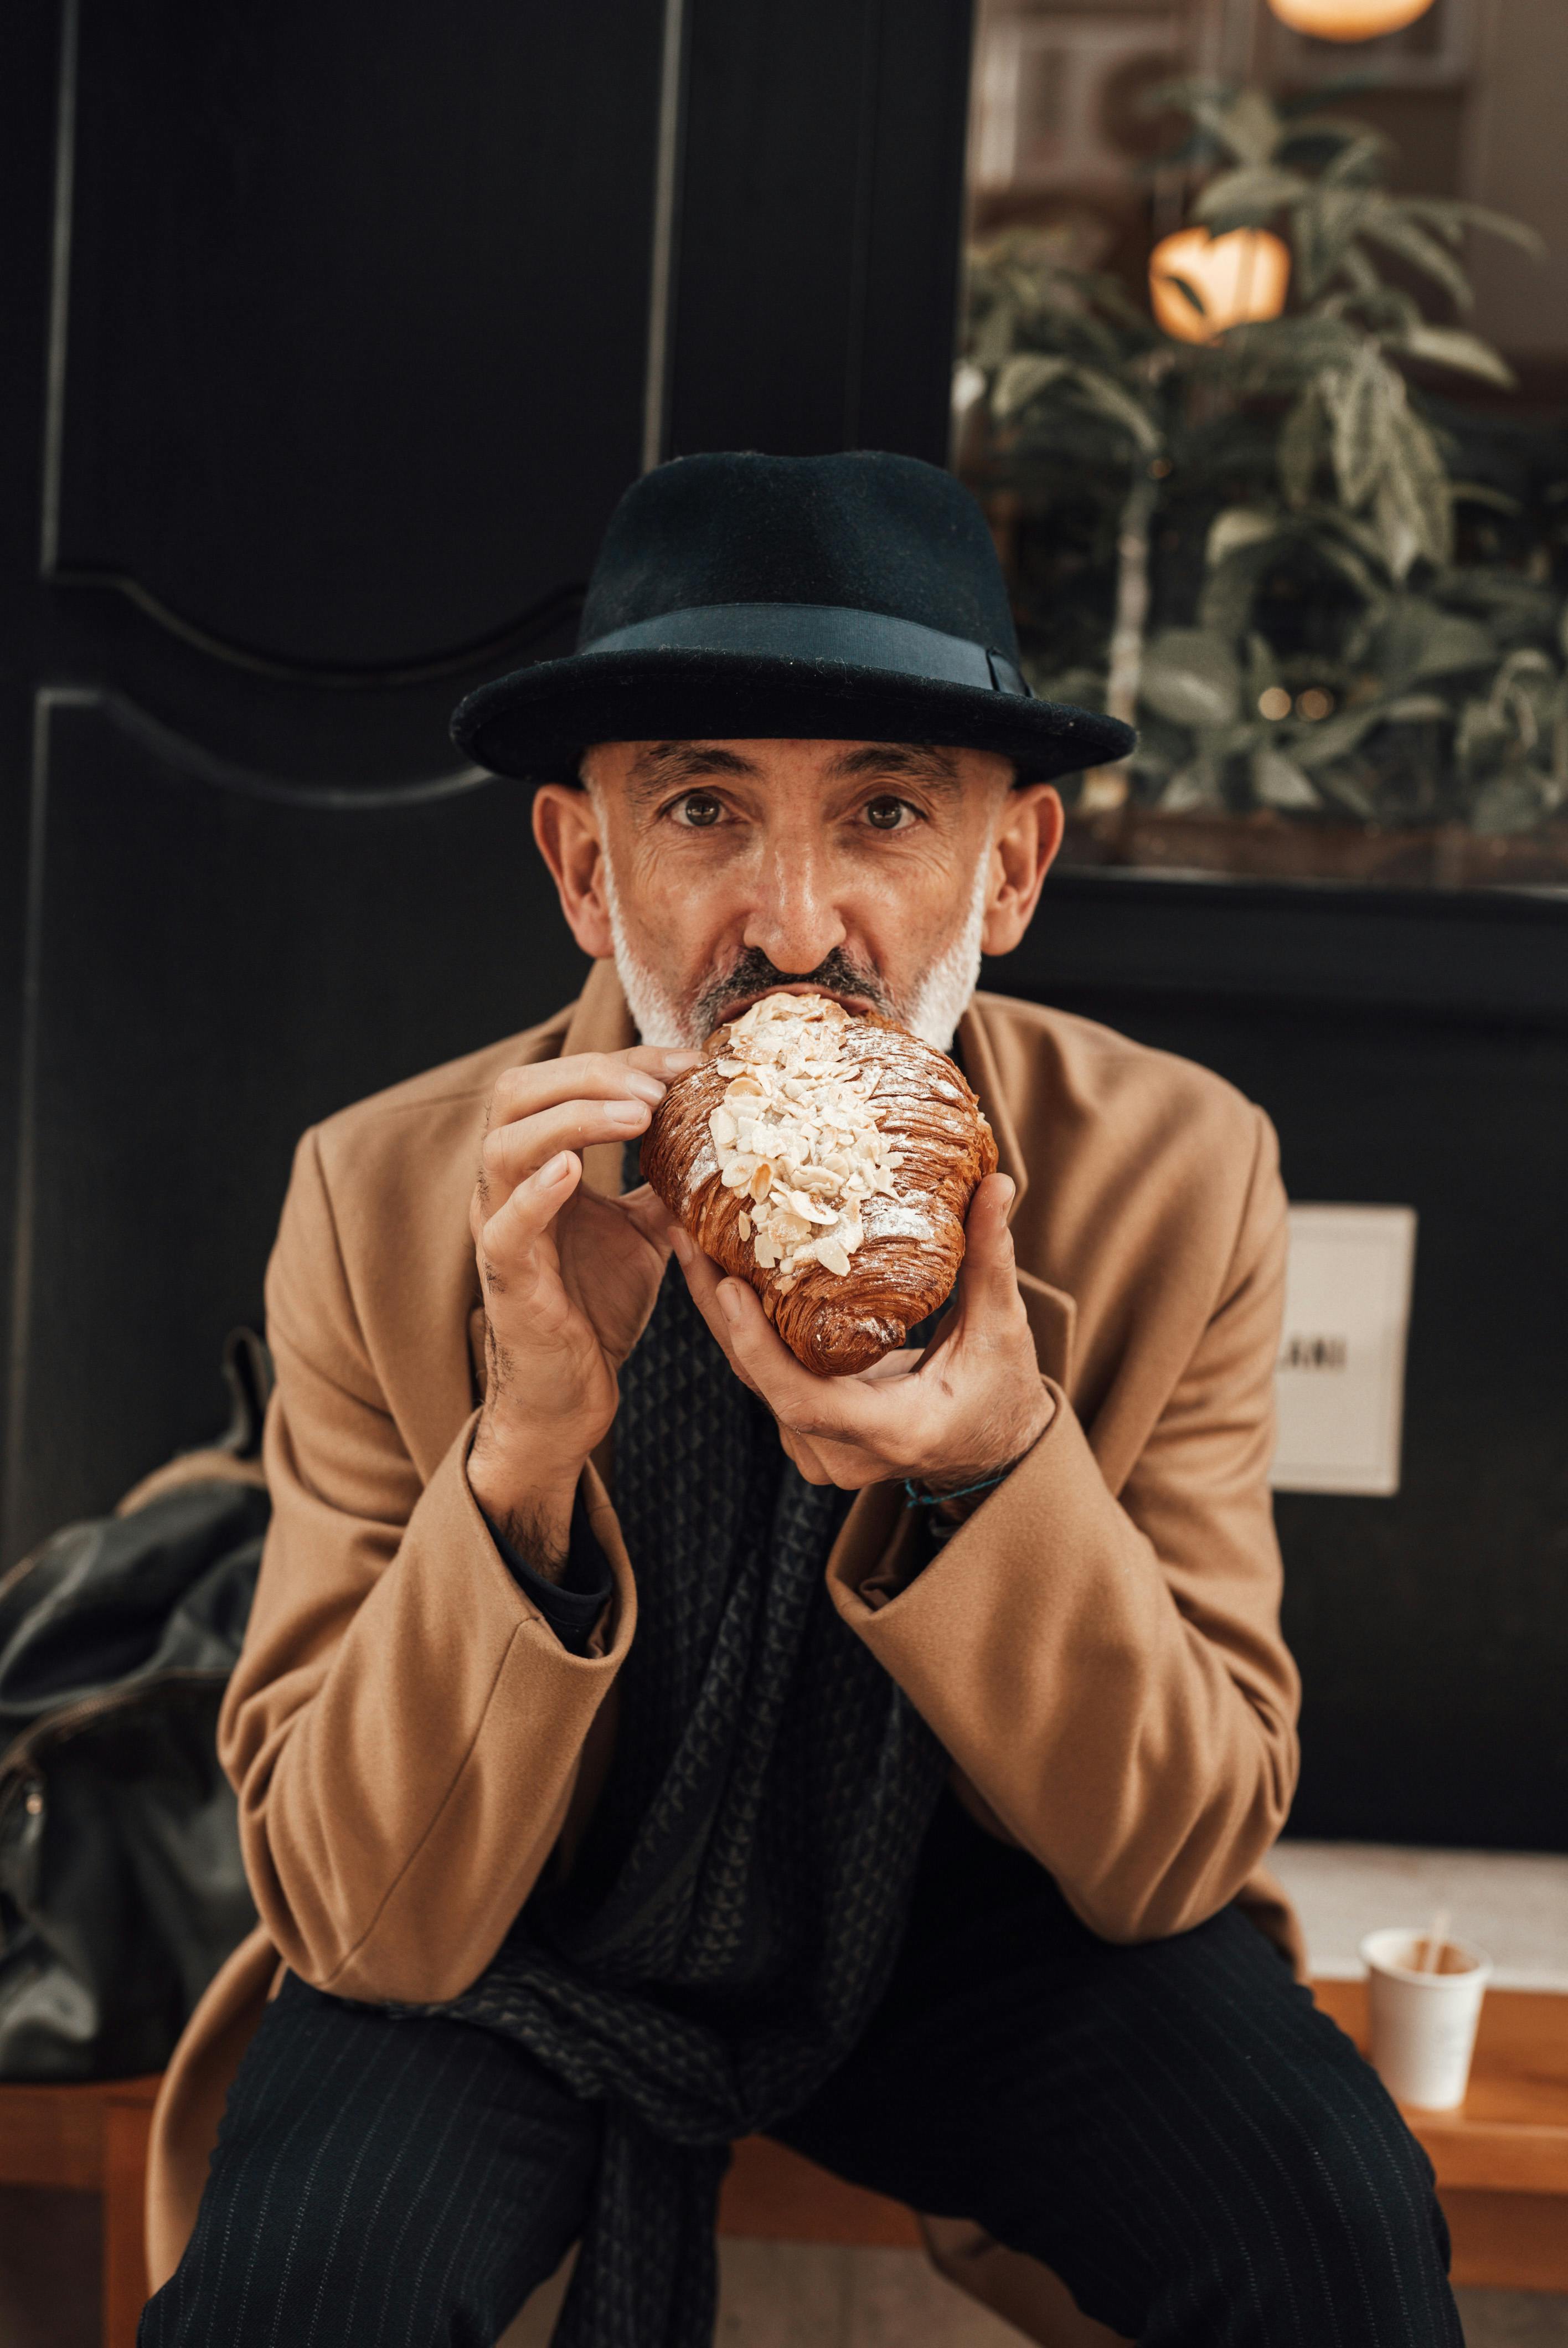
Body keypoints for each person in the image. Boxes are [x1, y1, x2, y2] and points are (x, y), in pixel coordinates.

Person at [140, 452, 1460, 2348]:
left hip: (973, 1932)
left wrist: (1004, 1469)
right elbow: (360, 1913)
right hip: (524, 1929)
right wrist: (522, 1447)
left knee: (1325, 2213)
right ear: (586, 869)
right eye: (700, 810)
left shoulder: (1181, 1175)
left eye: (890, 813)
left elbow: (1181, 1844)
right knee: (300, 2296)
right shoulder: (383, 1196)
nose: (792, 925)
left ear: (1008, 870)